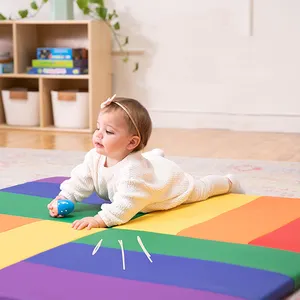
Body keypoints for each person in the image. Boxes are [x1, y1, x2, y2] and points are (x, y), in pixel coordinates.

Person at [47, 95, 244, 230]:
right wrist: (65, 197)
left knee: (200, 190)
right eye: (98, 127)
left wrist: (99, 220)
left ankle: (228, 182)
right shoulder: (94, 157)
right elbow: (80, 180)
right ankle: (155, 156)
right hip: (146, 166)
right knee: (149, 161)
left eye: (108, 132)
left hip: (167, 184)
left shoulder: (134, 172)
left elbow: (125, 206)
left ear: (132, 142)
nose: (98, 134)